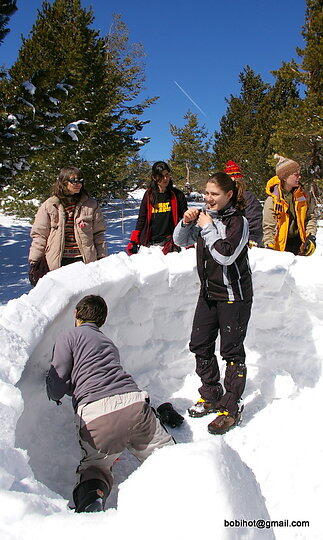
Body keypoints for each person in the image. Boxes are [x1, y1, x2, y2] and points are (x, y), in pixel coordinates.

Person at [46, 295, 174, 513]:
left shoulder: (69, 335)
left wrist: (53, 389)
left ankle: (92, 504)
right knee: (167, 458)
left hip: (97, 416)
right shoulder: (107, 342)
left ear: (76, 314)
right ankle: (191, 490)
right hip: (134, 405)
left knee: (95, 467)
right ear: (102, 320)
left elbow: (58, 380)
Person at [173, 172, 253, 435]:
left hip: (233, 295)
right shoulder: (207, 218)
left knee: (231, 351)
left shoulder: (237, 221)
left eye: (214, 194)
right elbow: (180, 241)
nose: (208, 198)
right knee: (200, 344)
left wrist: (207, 227)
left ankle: (231, 406)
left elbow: (225, 256)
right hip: (208, 293)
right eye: (206, 193)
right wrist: (186, 224)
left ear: (229, 195)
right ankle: (211, 393)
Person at [28, 167, 106, 285]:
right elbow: (40, 234)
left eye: (80, 180)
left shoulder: (91, 205)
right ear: (63, 182)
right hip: (58, 260)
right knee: (62, 298)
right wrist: (35, 260)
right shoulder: (50, 205)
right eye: (74, 180)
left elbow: (98, 234)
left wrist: (102, 257)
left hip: (84, 260)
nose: (78, 184)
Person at [126, 161, 188, 255]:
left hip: (171, 243)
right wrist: (134, 240)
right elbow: (142, 218)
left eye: (167, 174)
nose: (165, 178)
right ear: (154, 177)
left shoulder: (177, 195)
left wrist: (188, 240)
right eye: (161, 176)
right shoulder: (149, 195)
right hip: (151, 244)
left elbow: (184, 218)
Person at [263, 154, 317, 255]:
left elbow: (310, 217)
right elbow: (269, 226)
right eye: (296, 174)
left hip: (300, 245)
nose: (299, 177)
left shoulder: (304, 196)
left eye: (299, 174)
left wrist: (311, 236)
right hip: (280, 248)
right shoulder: (273, 200)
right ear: (284, 177)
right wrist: (269, 246)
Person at [224, 160, 263, 247]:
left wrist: (252, 240)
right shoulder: (223, 197)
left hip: (243, 243)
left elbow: (254, 220)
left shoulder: (247, 197)